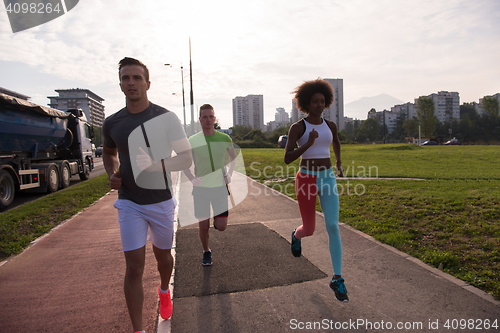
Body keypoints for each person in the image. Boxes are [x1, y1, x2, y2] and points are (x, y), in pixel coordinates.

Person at [102, 57, 192, 333]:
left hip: (161, 201)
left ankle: (164, 289)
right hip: (129, 202)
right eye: (126, 78)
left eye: (136, 77)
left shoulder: (165, 118)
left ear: (147, 83)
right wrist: (112, 173)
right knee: (133, 268)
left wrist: (158, 165)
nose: (131, 82)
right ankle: (139, 330)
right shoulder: (112, 122)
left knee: (163, 258)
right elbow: (109, 153)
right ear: (120, 84)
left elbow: (186, 158)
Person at [284, 79, 348, 302]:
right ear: (306, 103)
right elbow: (287, 158)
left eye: (323, 101)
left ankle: (337, 279)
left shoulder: (330, 125)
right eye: (315, 101)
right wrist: (308, 144)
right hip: (306, 179)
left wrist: (338, 161)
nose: (320, 105)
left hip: (328, 178)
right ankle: (296, 234)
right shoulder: (298, 127)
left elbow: (336, 141)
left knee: (332, 225)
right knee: (309, 229)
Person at [183, 104, 236, 266]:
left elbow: (233, 158)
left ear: (215, 118)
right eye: (205, 117)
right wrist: (191, 178)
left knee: (221, 227)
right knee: (203, 226)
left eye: (211, 116)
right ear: (200, 119)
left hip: (220, 187)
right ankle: (206, 251)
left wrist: (230, 174)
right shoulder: (193, 141)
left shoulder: (224, 138)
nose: (208, 119)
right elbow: (184, 163)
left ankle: (216, 220)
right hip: (201, 190)